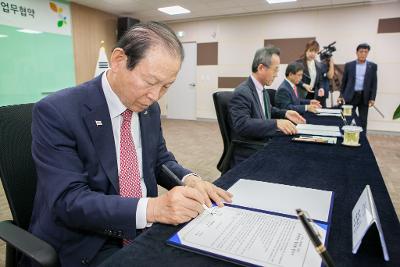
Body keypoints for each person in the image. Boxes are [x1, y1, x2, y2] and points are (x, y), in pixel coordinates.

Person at [26, 22, 232, 267]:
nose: (155, 96)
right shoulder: (58, 112)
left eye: (166, 86)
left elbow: (160, 160)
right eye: (149, 81)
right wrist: (153, 209)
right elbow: (69, 201)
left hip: (145, 228)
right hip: (87, 242)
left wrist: (191, 180)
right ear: (118, 60)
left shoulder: (149, 109)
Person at [229, 46, 306, 167]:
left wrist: (285, 113)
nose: (276, 75)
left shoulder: (262, 90)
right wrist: (276, 123)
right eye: (275, 70)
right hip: (250, 150)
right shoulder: (242, 92)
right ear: (261, 68)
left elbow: (267, 110)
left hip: (263, 142)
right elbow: (242, 124)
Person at [338, 43, 377, 130]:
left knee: (363, 120)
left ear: (368, 53)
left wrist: (372, 98)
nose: (363, 54)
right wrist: (341, 96)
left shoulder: (372, 66)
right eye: (361, 51)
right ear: (357, 52)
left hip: (364, 96)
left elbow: (374, 83)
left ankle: (362, 140)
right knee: (347, 118)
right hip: (350, 96)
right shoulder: (349, 65)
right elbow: (344, 82)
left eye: (365, 52)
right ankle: (345, 136)